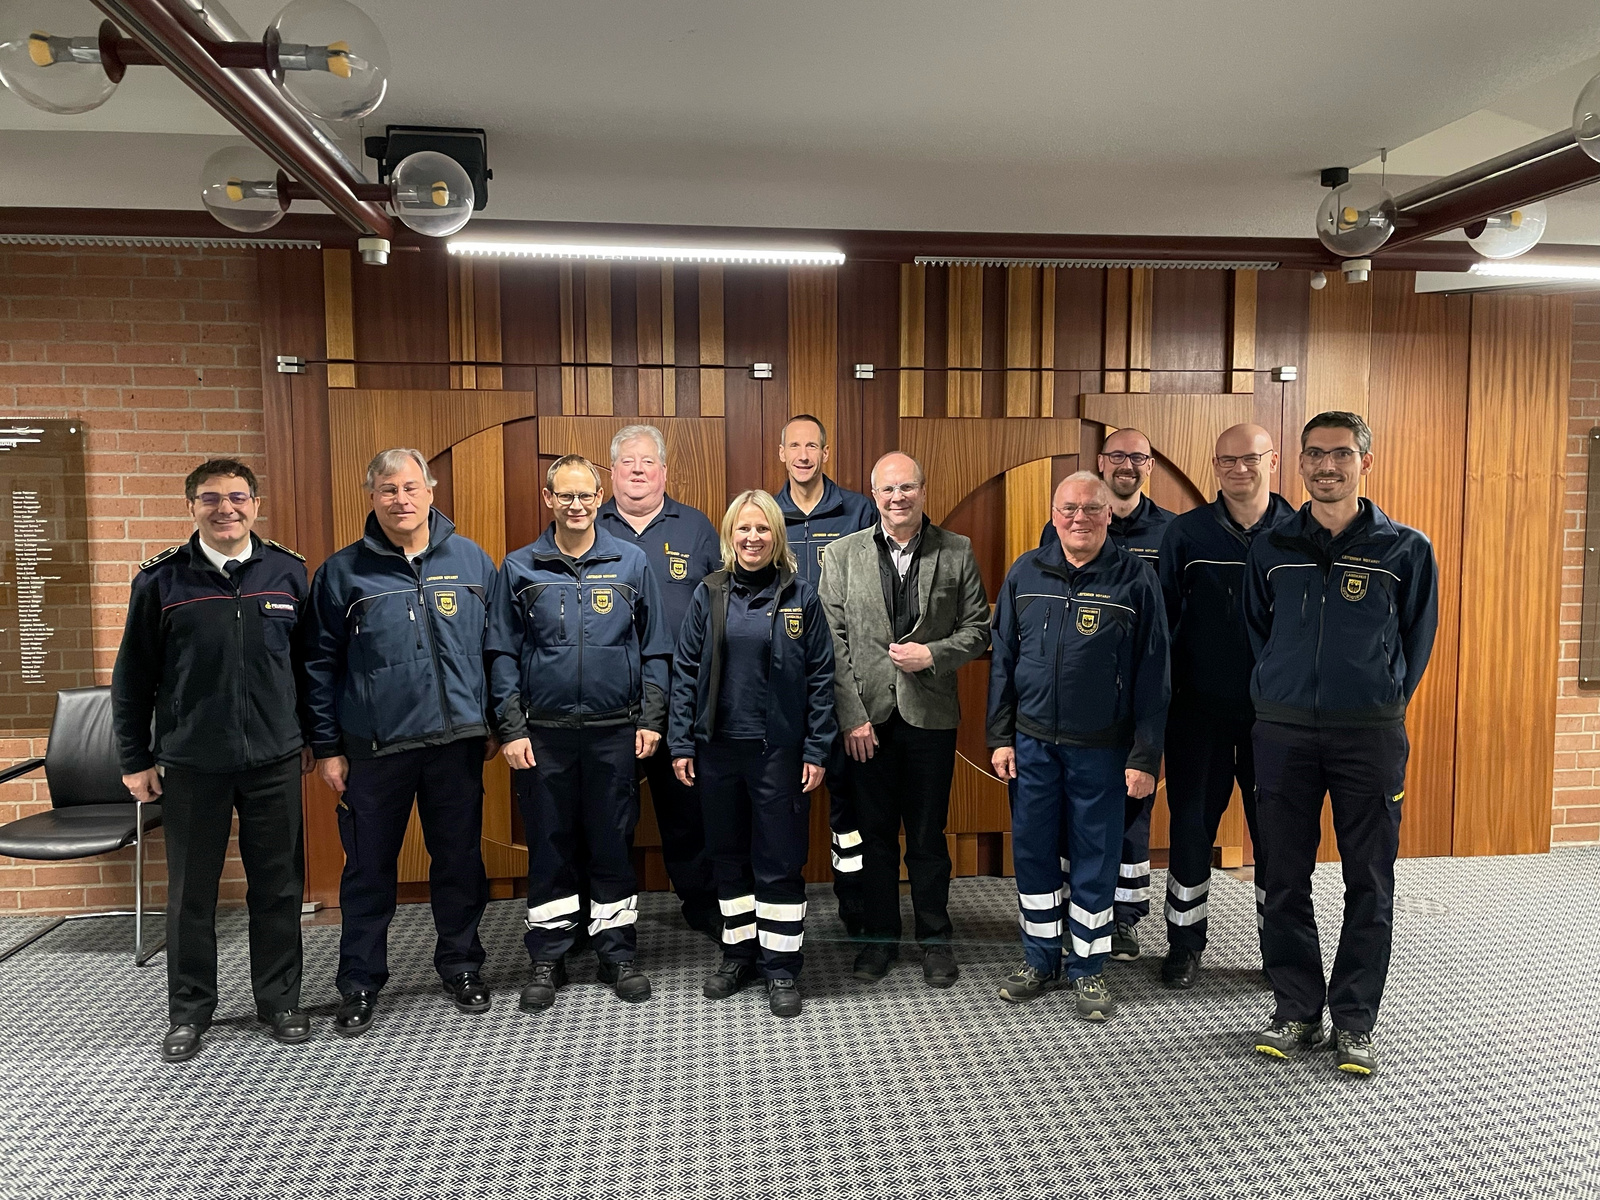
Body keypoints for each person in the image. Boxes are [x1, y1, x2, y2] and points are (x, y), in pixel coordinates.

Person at [1245, 411, 1438, 1077]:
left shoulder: (1405, 549)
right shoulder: (1270, 547)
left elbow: (1415, 644)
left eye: (1341, 455)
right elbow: (1257, 633)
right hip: (1283, 733)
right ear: (1299, 464)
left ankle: (1355, 1021)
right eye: (1315, 455)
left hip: (1369, 739)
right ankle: (1297, 1008)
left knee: (1370, 881)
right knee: (1282, 877)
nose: (1327, 466)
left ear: (1365, 463)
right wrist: (1281, 689)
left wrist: (1378, 698)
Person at [111, 458, 314, 1063]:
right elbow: (133, 681)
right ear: (191, 507)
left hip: (275, 758)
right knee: (191, 893)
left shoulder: (289, 572)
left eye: (237, 497)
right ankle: (189, 1010)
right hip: (193, 761)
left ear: (255, 504)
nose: (226, 508)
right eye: (210, 499)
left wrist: (312, 738)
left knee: (277, 887)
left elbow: (309, 670)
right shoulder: (162, 582)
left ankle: (279, 1000)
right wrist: (134, 758)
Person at [304, 448, 499, 1038]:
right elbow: (317, 665)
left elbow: (498, 650)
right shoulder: (342, 573)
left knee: (460, 862)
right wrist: (328, 746)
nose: (401, 500)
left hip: (457, 742)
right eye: (388, 490)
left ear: (431, 491)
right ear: (372, 497)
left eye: (411, 487)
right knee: (368, 870)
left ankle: (462, 966)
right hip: (374, 747)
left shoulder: (472, 561)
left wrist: (492, 722)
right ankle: (360, 982)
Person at [487, 454, 672, 1010]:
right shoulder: (520, 568)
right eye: (564, 496)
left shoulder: (632, 563)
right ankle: (549, 952)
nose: (575, 505)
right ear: (549, 499)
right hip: (543, 736)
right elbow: (500, 652)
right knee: (549, 844)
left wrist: (651, 719)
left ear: (600, 498)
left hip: (615, 733)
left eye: (585, 496)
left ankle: (616, 951)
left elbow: (656, 648)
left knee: (612, 843)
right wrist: (512, 728)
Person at [989, 472, 1170, 1020]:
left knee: (1096, 856)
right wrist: (999, 737)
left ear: (1108, 515)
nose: (1079, 519)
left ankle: (1088, 967)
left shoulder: (1135, 581)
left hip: (1103, 750)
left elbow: (1154, 674)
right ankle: (1039, 959)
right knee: (1034, 852)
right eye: (1068, 509)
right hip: (1033, 744)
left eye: (1091, 510)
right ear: (1053, 512)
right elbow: (1003, 661)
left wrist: (1144, 757)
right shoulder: (1025, 571)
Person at [817, 451, 990, 987]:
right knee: (873, 838)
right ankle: (879, 941)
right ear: (874, 495)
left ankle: (935, 939)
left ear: (922, 490)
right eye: (888, 489)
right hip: (866, 721)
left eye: (907, 488)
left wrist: (933, 655)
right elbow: (831, 643)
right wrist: (852, 717)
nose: (898, 497)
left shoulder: (956, 550)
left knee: (927, 838)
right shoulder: (841, 555)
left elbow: (979, 629)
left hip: (930, 718)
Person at [668, 490, 837, 1017]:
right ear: (729, 536)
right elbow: (686, 671)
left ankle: (782, 966)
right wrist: (680, 741)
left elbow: (821, 679)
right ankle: (738, 954)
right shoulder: (709, 593)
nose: (752, 538)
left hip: (778, 754)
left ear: (776, 537)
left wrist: (816, 748)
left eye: (762, 529)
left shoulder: (801, 597)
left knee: (780, 859)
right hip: (717, 751)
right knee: (728, 857)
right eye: (743, 529)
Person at [1155, 424, 1294, 989]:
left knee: (1275, 835)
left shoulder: (1300, 534)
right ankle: (1184, 945)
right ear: (1215, 467)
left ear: (1274, 460)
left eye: (1251, 459)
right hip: (1198, 713)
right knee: (1190, 828)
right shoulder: (1185, 534)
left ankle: (1279, 947)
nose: (1239, 470)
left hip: (1276, 718)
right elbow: (1161, 627)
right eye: (1227, 461)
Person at [1036, 427, 1174, 963]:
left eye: (1137, 457)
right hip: (1071, 715)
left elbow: (1169, 622)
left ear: (1149, 465)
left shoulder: (1170, 532)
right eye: (1117, 456)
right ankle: (1082, 911)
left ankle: (1124, 917)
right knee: (1079, 821)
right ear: (1101, 461)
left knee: (1131, 814)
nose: (1127, 465)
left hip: (1137, 702)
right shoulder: (1061, 533)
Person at [596, 424, 722, 943]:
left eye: (648, 462)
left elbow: (723, 606)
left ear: (665, 471)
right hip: (610, 700)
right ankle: (604, 917)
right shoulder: (589, 525)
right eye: (628, 462)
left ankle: (701, 904)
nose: (639, 470)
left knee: (686, 812)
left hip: (682, 699)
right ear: (612, 472)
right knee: (608, 816)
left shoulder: (696, 528)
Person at [773, 414, 877, 935]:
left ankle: (854, 905)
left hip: (847, 680)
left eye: (813, 445)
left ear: (826, 452)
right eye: (795, 445)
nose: (804, 455)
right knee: (783, 798)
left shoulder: (859, 510)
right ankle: (781, 906)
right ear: (782, 453)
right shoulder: (767, 515)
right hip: (786, 683)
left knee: (850, 808)